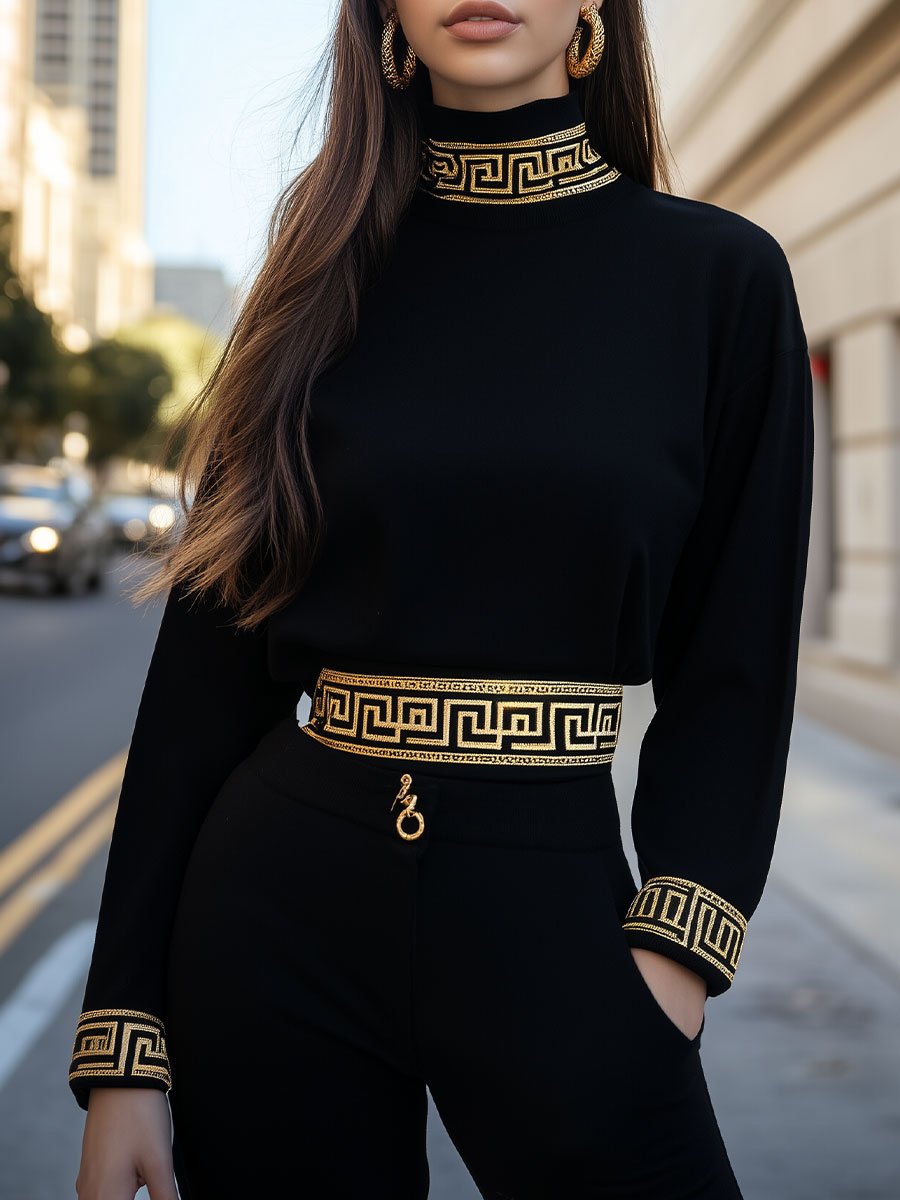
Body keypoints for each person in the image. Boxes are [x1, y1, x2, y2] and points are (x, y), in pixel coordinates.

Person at [68, 1, 815, 1197]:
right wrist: (126, 1048)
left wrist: (677, 953)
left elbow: (739, 659)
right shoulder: (315, 274)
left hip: (557, 909)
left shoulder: (717, 277)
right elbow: (203, 679)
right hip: (276, 916)